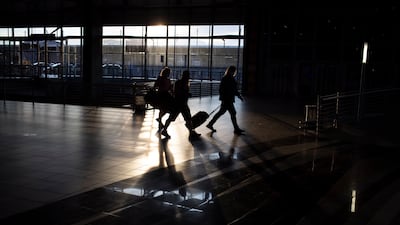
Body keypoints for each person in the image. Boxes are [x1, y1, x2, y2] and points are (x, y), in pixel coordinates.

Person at [161, 70, 201, 139]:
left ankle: (164, 130)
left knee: (172, 118)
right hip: (182, 104)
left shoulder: (178, 82)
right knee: (188, 118)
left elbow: (176, 93)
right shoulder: (185, 83)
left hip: (178, 103)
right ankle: (191, 132)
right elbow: (180, 93)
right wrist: (187, 94)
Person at [206, 65, 245, 135]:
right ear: (231, 71)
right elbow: (232, 90)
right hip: (228, 100)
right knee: (232, 113)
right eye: (233, 71)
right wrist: (238, 96)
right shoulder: (229, 78)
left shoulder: (226, 78)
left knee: (221, 113)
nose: (233, 72)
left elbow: (225, 90)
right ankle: (236, 129)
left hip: (226, 100)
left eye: (234, 71)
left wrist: (223, 98)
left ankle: (210, 124)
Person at [153, 67, 174, 132]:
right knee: (165, 109)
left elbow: (155, 86)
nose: (169, 74)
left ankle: (159, 120)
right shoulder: (167, 80)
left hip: (162, 95)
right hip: (164, 96)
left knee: (163, 109)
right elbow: (170, 89)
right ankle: (160, 119)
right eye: (168, 73)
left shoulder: (161, 79)